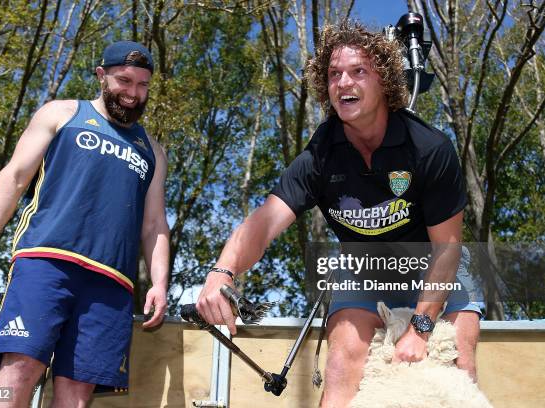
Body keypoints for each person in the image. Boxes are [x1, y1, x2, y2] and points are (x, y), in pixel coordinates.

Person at [196, 22, 482, 407]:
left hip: (436, 263)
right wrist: (222, 271)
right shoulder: (319, 156)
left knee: (458, 367)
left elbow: (447, 249)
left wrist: (420, 328)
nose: (343, 82)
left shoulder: (429, 149)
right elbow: (263, 224)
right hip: (364, 269)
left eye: (358, 71)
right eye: (334, 74)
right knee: (342, 365)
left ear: (384, 82)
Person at [0, 41, 170, 407]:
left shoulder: (152, 150)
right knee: (19, 370)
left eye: (143, 85)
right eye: (125, 81)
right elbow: (14, 177)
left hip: (112, 284)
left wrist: (159, 282)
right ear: (102, 76)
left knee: (76, 395)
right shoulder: (62, 113)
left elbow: (154, 224)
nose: (133, 93)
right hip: (46, 262)